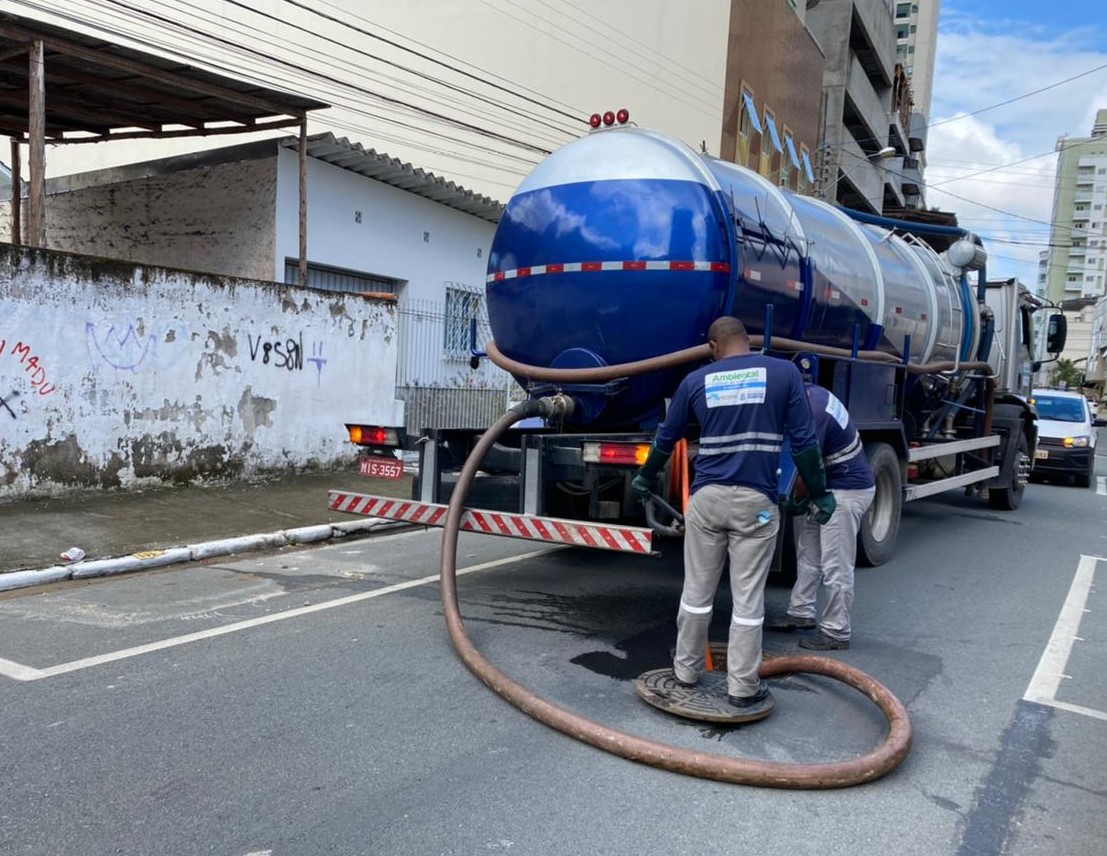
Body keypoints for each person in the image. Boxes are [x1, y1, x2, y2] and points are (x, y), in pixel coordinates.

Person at [631, 316, 836, 721]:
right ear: (748, 341)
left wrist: (644, 475)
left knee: (696, 592)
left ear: (713, 345)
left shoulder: (697, 380)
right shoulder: (783, 373)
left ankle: (686, 671)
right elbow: (805, 442)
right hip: (755, 505)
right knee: (746, 601)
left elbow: (665, 438)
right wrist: (820, 492)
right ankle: (742, 687)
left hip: (706, 501)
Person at [772, 383, 876, 651]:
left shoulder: (813, 412)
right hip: (828, 484)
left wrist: (795, 499)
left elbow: (810, 463)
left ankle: (836, 631)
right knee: (808, 553)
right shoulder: (810, 393)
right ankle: (801, 611)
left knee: (835, 564)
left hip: (845, 491)